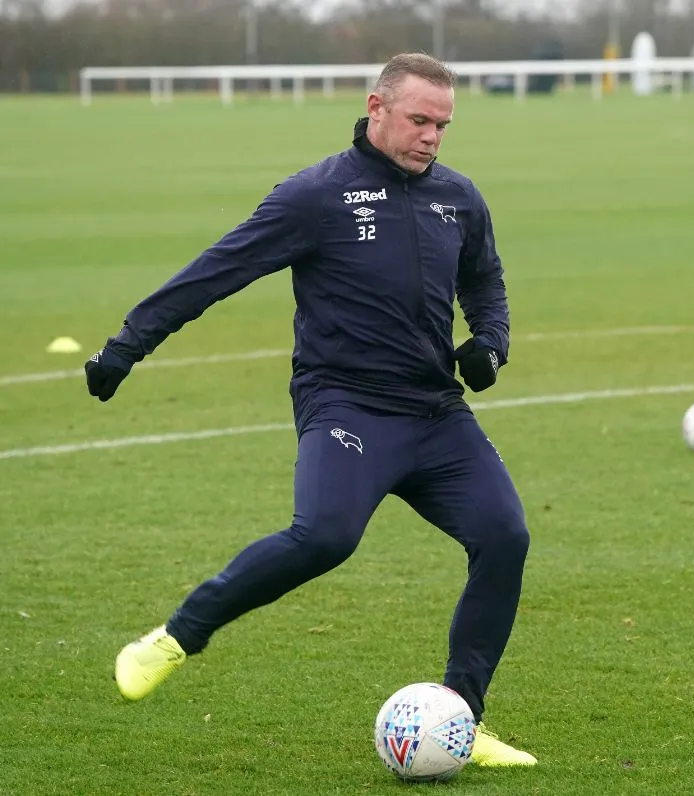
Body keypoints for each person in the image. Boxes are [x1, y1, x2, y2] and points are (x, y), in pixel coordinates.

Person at [85, 52, 536, 768]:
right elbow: (216, 271)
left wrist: (490, 342)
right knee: (325, 536)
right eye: (419, 120)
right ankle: (173, 638)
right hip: (347, 405)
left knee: (505, 537)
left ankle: (461, 719)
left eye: (443, 125)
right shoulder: (316, 196)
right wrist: (125, 346)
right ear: (376, 107)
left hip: (434, 411)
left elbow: (485, 281)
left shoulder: (457, 197)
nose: (431, 137)